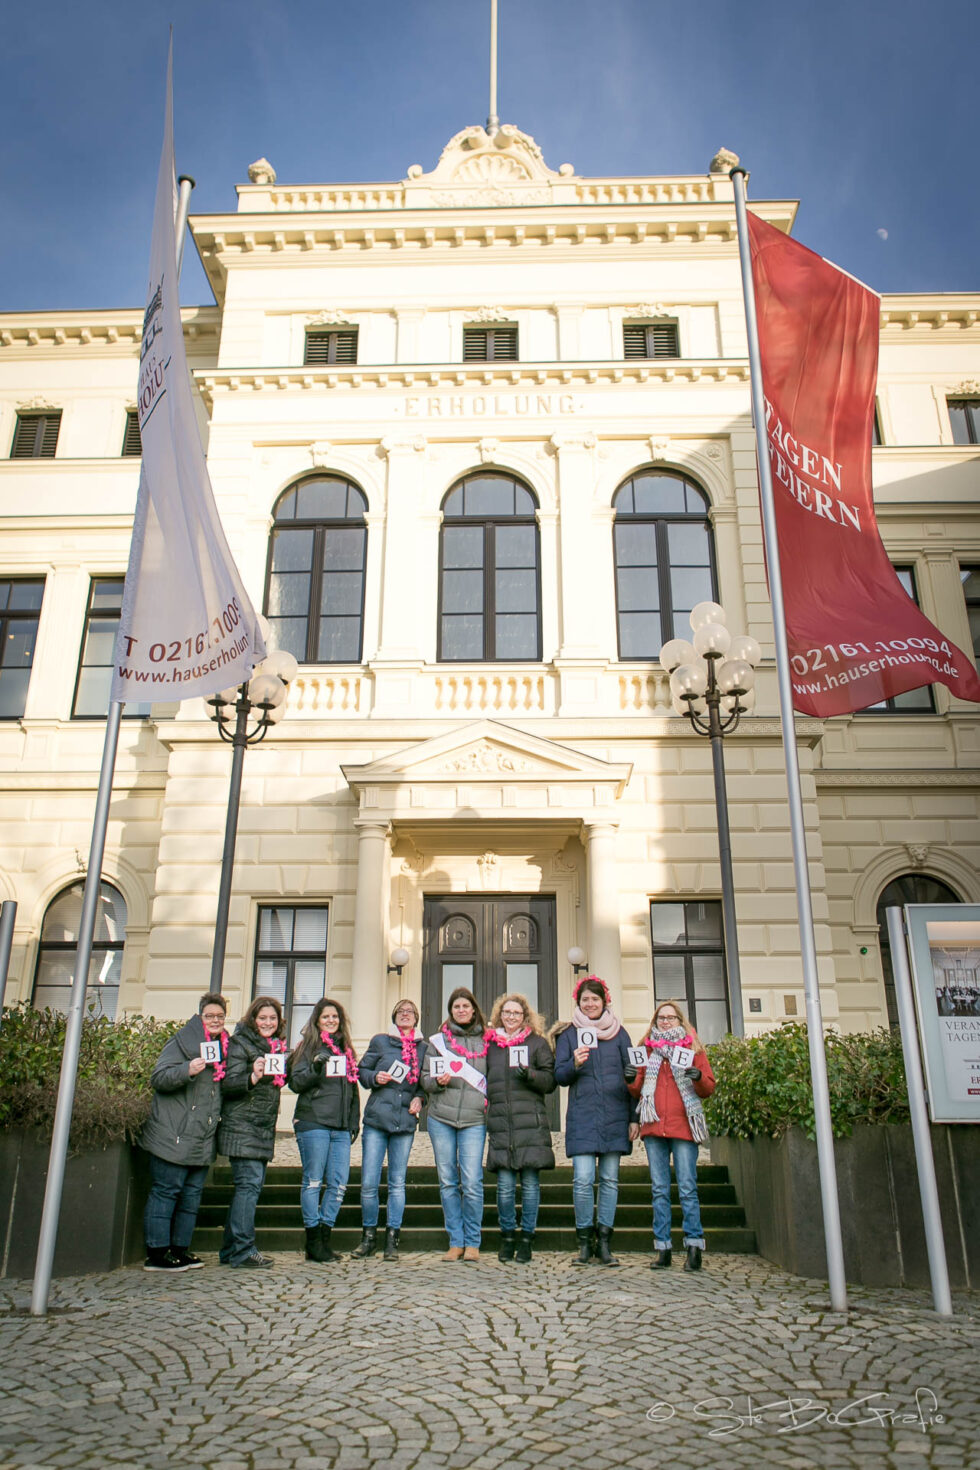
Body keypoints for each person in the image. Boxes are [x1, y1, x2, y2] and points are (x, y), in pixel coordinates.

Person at [139, 992, 229, 1272]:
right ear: (200, 1016)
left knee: (191, 1197)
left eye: (220, 1016)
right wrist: (186, 1070)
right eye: (210, 1016)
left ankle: (179, 1250)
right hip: (173, 1134)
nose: (215, 1020)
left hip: (201, 1138)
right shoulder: (180, 1042)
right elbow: (158, 1078)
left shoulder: (224, 1046)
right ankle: (156, 1253)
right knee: (166, 1192)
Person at [553, 975, 638, 1267]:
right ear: (578, 1002)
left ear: (605, 1002)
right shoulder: (568, 1035)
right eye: (585, 1000)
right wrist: (574, 1063)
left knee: (610, 1181)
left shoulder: (620, 1034)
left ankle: (604, 1242)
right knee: (583, 1180)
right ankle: (584, 1242)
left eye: (595, 999)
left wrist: (634, 1117)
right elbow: (559, 1076)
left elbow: (633, 1078)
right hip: (583, 1117)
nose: (590, 1004)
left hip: (615, 1116)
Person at [628, 998, 716, 1272]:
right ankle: (663, 1248)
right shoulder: (646, 1048)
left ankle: (693, 1246)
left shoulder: (692, 1047)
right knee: (659, 1190)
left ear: (680, 1021)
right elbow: (637, 1089)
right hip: (654, 1126)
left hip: (683, 1126)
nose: (665, 1022)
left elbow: (708, 1087)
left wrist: (697, 1075)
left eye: (670, 1018)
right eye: (661, 1018)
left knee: (688, 1188)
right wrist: (630, 1078)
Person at [216, 995, 288, 1269]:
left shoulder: (276, 1047)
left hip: (261, 1127)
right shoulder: (240, 1044)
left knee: (248, 1188)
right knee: (248, 1187)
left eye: (272, 1018)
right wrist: (253, 1076)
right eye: (262, 1018)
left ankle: (229, 1250)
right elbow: (229, 1084)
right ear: (252, 1019)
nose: (267, 1023)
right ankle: (244, 1250)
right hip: (242, 1126)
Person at [287, 997, 361, 1263]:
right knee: (313, 1182)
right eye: (326, 1017)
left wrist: (354, 1120)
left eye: (335, 1017)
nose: (331, 1021)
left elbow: (352, 1088)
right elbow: (295, 1083)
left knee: (339, 1183)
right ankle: (313, 1240)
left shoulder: (346, 1050)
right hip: (313, 1121)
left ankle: (324, 1237)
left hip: (340, 1126)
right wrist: (317, 1065)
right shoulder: (307, 1047)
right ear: (317, 1021)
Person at [354, 998, 428, 1262]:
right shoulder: (380, 1041)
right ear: (394, 1016)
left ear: (416, 1019)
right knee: (369, 1182)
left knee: (397, 1183)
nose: (405, 1015)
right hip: (376, 1119)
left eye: (410, 1012)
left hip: (405, 1121)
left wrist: (421, 1097)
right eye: (401, 1011)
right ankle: (368, 1237)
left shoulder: (424, 1048)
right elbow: (362, 1071)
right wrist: (376, 1077)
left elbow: (425, 1082)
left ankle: (392, 1239)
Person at [485, 992, 556, 1264]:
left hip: (531, 1125)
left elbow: (550, 1081)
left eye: (516, 1013)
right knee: (504, 1188)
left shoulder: (537, 1043)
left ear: (525, 1016)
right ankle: (507, 1237)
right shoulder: (490, 1046)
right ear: (499, 1015)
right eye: (506, 1012)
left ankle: (527, 1238)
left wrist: (532, 1075)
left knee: (529, 1185)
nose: (511, 1017)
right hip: (502, 1125)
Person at [423, 987, 489, 1262]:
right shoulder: (438, 1042)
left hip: (474, 1119)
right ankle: (456, 1241)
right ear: (450, 1012)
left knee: (472, 1181)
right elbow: (424, 1078)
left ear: (474, 1009)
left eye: (465, 1006)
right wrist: (435, 1083)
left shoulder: (489, 1040)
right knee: (448, 1181)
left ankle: (473, 1241)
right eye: (456, 1007)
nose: (461, 1010)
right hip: (441, 1118)